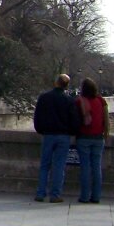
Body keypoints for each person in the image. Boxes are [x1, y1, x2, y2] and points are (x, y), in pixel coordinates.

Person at [33, 73, 80, 203]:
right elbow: (74, 120)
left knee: (44, 165)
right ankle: (55, 195)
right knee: (59, 166)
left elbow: (37, 116)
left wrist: (40, 129)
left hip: (48, 134)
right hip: (63, 136)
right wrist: (71, 131)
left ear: (56, 83)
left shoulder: (44, 98)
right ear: (67, 85)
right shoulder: (69, 100)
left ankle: (41, 193)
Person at [76, 77, 109, 204]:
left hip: (83, 137)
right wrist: (105, 132)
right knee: (96, 167)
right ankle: (96, 196)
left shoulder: (79, 101)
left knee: (85, 168)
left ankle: (84, 196)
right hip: (98, 137)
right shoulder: (101, 100)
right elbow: (105, 119)